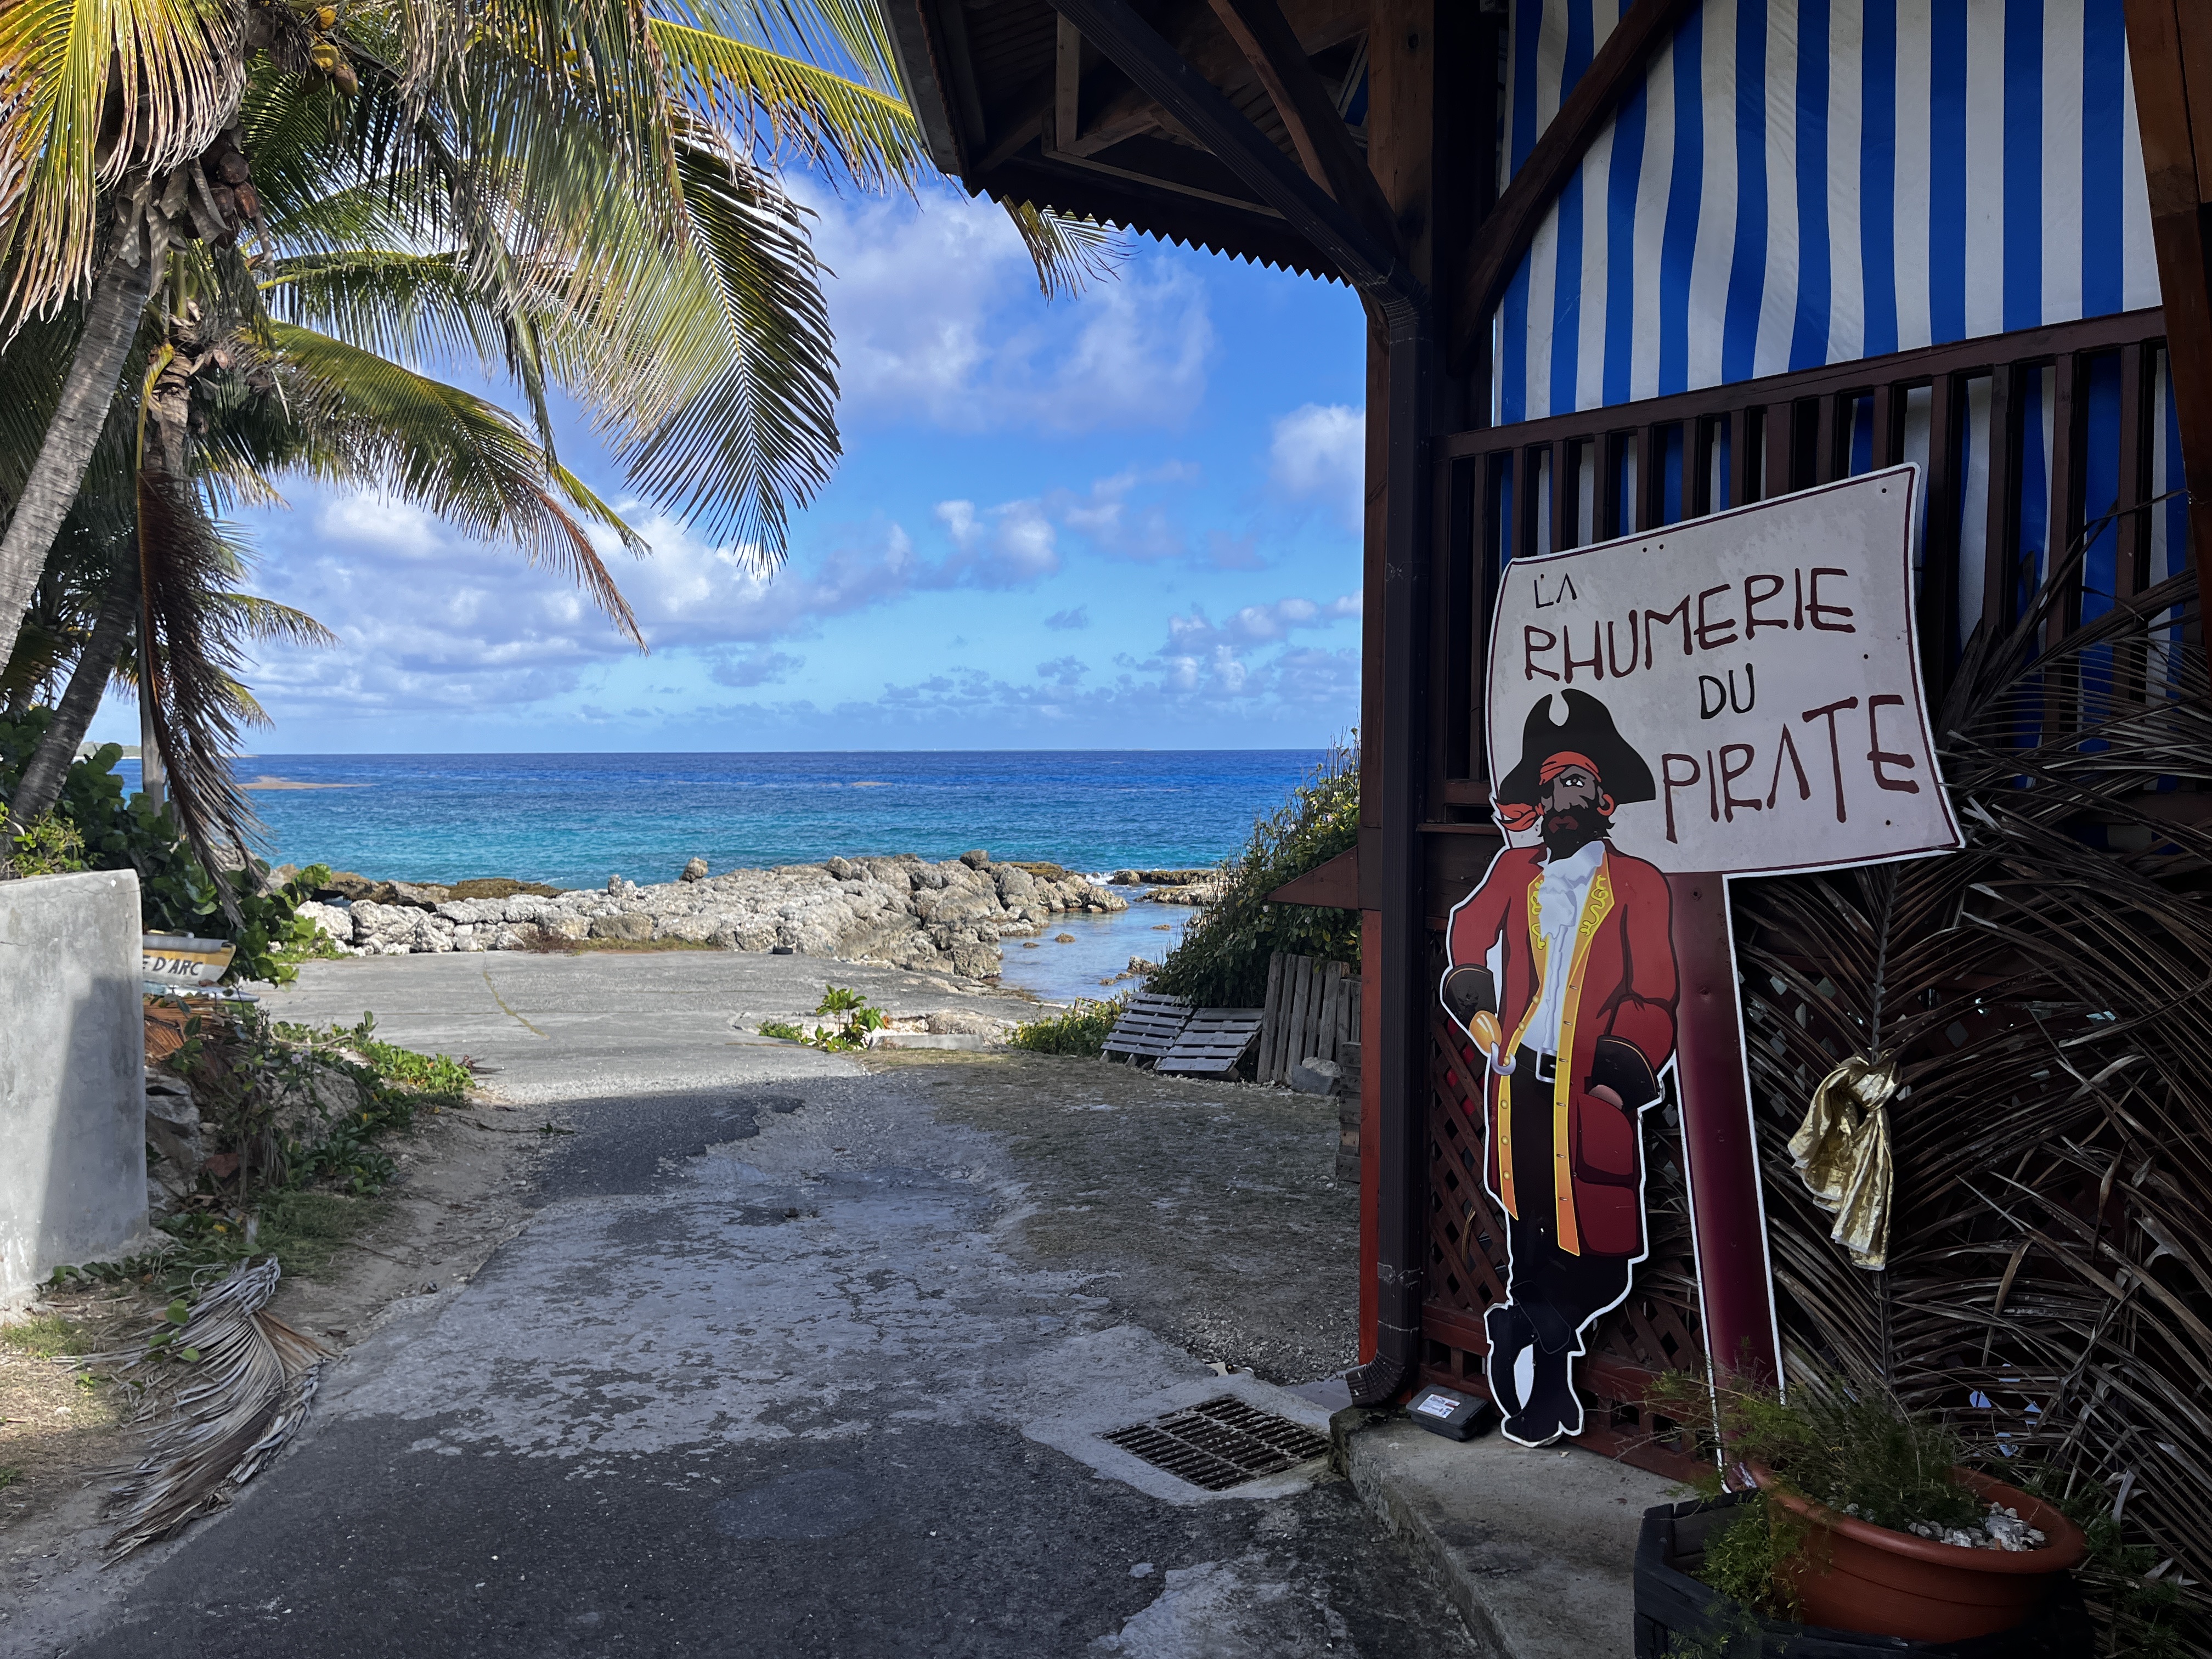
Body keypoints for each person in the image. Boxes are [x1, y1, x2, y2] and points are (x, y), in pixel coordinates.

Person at [1440, 689, 1678, 1446]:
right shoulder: (1516, 874)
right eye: (1550, 787)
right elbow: (1467, 938)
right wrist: (1483, 1018)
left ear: (1603, 799)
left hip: (1591, 1095)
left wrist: (1617, 1076)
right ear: (1540, 804)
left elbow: (1656, 993)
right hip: (1521, 1089)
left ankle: (1520, 1328)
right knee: (1533, 1247)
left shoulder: (1640, 884)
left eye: (1576, 782)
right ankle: (1545, 1399)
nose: (1561, 797)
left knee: (1604, 1260)